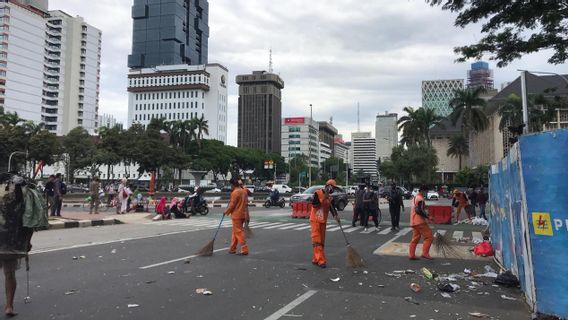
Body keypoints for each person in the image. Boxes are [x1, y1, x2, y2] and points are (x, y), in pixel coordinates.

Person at [310, 179, 338, 268]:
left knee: (321, 242)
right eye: (331, 187)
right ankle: (321, 261)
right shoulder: (317, 193)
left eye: (333, 188)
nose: (332, 190)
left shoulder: (330, 198)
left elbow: (332, 208)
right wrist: (324, 197)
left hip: (323, 221)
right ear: (327, 186)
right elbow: (315, 205)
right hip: (315, 220)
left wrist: (336, 216)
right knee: (316, 240)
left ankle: (316, 258)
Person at [224, 178, 249, 255]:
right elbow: (245, 204)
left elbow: (232, 205)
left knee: (238, 232)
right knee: (235, 232)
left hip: (236, 215)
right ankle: (232, 248)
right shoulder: (243, 191)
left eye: (230, 185)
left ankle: (244, 249)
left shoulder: (235, 192)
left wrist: (226, 211)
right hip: (242, 214)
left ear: (232, 185)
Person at [409, 185, 433, 260]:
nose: (426, 193)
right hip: (420, 222)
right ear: (422, 191)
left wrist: (425, 208)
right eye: (426, 191)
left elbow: (419, 208)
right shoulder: (420, 199)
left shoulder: (415, 197)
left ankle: (411, 255)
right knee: (429, 237)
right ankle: (425, 253)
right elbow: (420, 210)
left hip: (413, 221)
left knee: (415, 238)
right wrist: (428, 217)